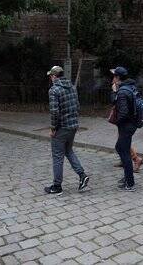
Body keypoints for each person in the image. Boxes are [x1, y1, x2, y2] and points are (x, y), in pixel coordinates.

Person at [44, 66, 89, 195]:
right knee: (68, 151)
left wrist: (53, 128)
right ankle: (82, 175)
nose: (50, 79)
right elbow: (77, 106)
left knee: (57, 156)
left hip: (61, 128)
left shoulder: (54, 90)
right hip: (73, 126)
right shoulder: (72, 87)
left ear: (54, 76)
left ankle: (57, 186)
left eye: (50, 76)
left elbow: (54, 112)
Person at [111, 66, 138, 191]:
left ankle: (130, 182)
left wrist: (114, 92)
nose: (113, 79)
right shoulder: (131, 87)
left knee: (124, 151)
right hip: (131, 124)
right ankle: (128, 177)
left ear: (118, 78)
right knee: (120, 147)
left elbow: (123, 111)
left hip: (126, 125)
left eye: (114, 76)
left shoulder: (122, 92)